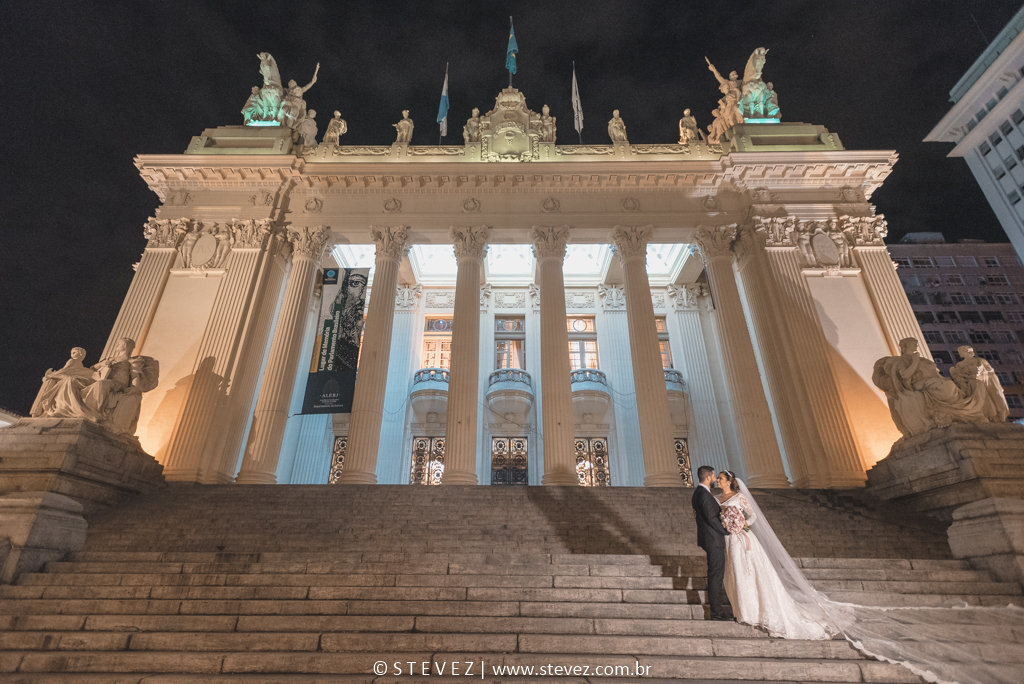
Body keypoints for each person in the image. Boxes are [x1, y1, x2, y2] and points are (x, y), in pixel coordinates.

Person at [715, 470, 832, 639]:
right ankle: (744, 611)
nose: (718, 480)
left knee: (750, 571)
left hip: (742, 537)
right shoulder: (718, 499)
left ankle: (757, 612)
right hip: (729, 540)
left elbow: (753, 515)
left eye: (720, 478)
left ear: (728, 481)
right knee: (736, 572)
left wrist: (742, 524)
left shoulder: (739, 497)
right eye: (718, 478)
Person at [691, 465, 731, 620]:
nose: (715, 479)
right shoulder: (702, 494)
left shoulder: (700, 493)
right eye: (714, 476)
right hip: (713, 539)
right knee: (715, 575)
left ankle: (717, 610)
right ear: (708, 477)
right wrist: (727, 530)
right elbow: (711, 518)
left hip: (710, 538)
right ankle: (716, 612)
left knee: (715, 574)